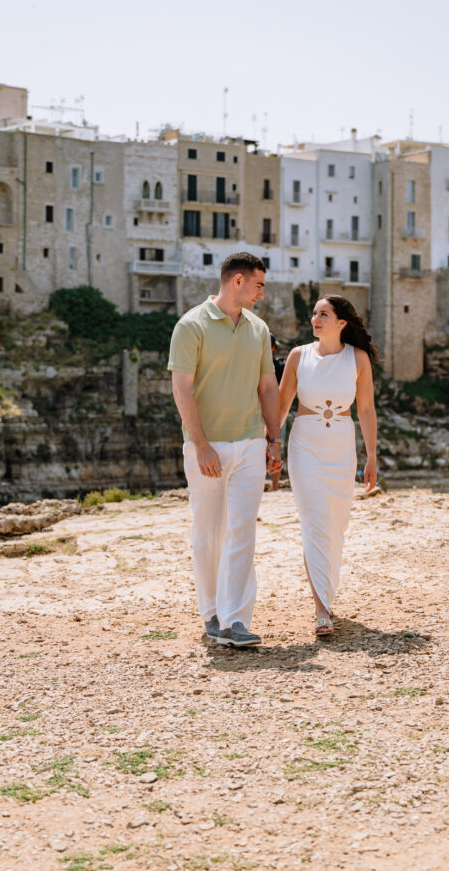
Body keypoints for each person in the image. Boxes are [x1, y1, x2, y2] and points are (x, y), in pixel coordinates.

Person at [168, 253, 282, 647]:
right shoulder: (191, 325)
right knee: (207, 532)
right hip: (207, 446)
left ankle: (235, 620)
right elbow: (181, 388)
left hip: (250, 441)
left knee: (242, 529)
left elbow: (268, 387)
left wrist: (274, 439)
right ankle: (212, 612)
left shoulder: (259, 330)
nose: (261, 294)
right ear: (237, 280)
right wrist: (200, 445)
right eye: (259, 285)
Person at [279, 295, 378, 636]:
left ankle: (326, 593)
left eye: (324, 314)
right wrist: (271, 444)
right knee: (315, 522)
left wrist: (372, 456)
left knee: (335, 524)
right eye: (314, 313)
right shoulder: (298, 356)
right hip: (305, 445)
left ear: (341, 323)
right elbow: (281, 406)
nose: (316, 318)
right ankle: (321, 609)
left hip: (341, 446)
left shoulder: (358, 358)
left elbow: (366, 409)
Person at [269, 335, 285, 491]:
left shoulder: (280, 366)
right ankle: (273, 486)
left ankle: (273, 486)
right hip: (276, 411)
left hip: (273, 412)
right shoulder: (280, 366)